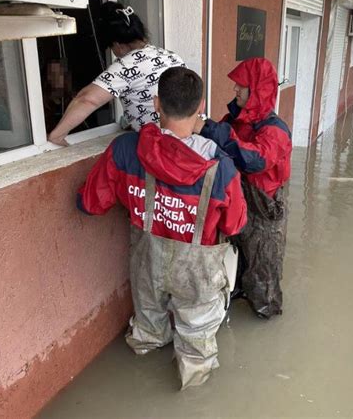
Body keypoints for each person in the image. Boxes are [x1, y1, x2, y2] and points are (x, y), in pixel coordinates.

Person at [77, 67, 247, 389]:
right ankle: (193, 392)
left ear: (156, 104)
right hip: (198, 272)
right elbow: (235, 223)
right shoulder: (221, 167)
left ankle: (139, 379)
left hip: (147, 263)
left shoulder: (126, 150)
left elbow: (91, 203)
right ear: (200, 108)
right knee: (196, 342)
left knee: (147, 329)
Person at [194, 57, 292, 319]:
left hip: (265, 208)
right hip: (238, 202)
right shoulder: (234, 120)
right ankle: (238, 292)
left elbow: (255, 160)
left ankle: (266, 312)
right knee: (237, 251)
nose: (235, 90)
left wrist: (210, 130)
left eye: (241, 86)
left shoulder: (276, 130)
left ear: (257, 90)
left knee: (264, 264)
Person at [48, 1, 185, 146]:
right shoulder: (169, 55)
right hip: (193, 140)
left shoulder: (127, 65)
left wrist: (57, 135)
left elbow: (86, 99)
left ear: (117, 44)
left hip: (166, 148)